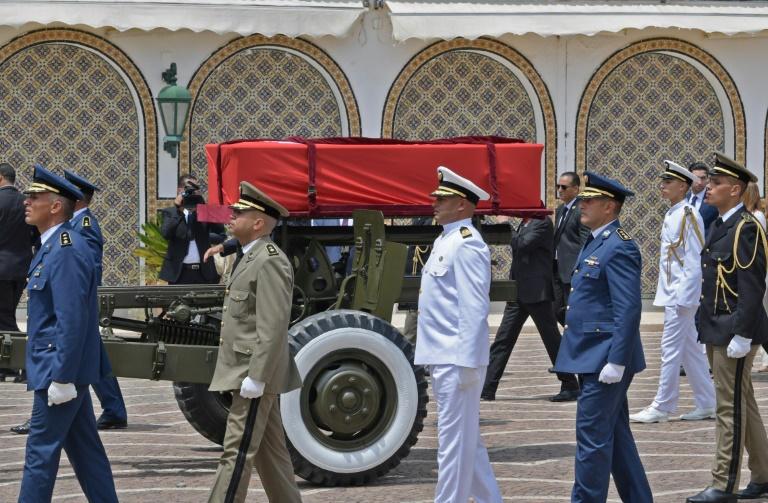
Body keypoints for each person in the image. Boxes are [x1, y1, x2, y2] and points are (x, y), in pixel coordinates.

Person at [19, 164, 117, 502]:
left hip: (58, 371)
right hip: (59, 369)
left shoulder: (65, 248)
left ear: (56, 205)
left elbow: (72, 320)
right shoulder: (53, 246)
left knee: (39, 455)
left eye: (35, 196)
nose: (26, 201)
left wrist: (61, 376)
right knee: (87, 454)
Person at [553, 172, 652, 503]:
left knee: (591, 439)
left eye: (590, 200)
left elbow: (629, 310)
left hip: (605, 358)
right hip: (591, 353)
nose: (582, 204)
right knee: (616, 437)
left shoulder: (619, 246)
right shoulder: (595, 239)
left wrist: (617, 360)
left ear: (609, 207)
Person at [11, 169, 129, 435]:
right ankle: (113, 409)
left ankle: (113, 408)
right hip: (73, 304)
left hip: (77, 302)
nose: (27, 202)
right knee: (90, 359)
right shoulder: (68, 228)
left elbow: (85, 268)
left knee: (88, 356)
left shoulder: (82, 227)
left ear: (74, 199)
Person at [207, 181, 302, 503]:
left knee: (236, 452)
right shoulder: (249, 256)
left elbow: (272, 325)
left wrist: (257, 376)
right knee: (270, 453)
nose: (230, 217)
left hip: (254, 372)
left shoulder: (269, 259)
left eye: (239, 212)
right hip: (247, 370)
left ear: (259, 222)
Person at [415, 166, 502, 503]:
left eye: (443, 198)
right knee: (468, 443)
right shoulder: (446, 239)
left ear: (463, 205)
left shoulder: (467, 244)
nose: (434, 203)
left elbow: (473, 308)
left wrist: (467, 361)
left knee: (452, 445)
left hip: (456, 359)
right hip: (444, 356)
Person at [686, 153, 768, 503]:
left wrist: (743, 334)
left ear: (735, 190)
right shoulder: (722, 224)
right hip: (718, 328)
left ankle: (723, 484)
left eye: (716, 183)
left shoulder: (746, 228)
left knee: (728, 409)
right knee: (742, 403)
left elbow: (752, 286)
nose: (708, 187)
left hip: (734, 331)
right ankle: (765, 474)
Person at [630, 160, 715, 423]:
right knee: (691, 350)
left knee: (669, 348)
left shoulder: (689, 214)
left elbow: (694, 258)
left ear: (682, 186)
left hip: (682, 294)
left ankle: (663, 405)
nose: (662, 186)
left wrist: (685, 296)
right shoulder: (674, 213)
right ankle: (708, 402)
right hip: (674, 292)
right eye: (663, 182)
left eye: (668, 183)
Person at [481, 213, 580, 402]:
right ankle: (487, 388)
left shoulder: (542, 222)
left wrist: (506, 225)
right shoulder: (525, 223)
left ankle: (570, 384)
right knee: (503, 339)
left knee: (551, 340)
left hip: (537, 293)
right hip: (518, 292)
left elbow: (522, 245)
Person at [159, 175, 226, 285]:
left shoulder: (207, 212)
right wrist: (178, 209)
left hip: (204, 272)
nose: (192, 192)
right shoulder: (171, 212)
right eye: (189, 189)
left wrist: (202, 208)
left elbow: (221, 236)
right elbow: (165, 234)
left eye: (195, 189)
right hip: (179, 273)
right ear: (179, 190)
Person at [0, 163, 36, 332]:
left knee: (5, 319)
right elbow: (37, 236)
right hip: (21, 270)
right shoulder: (27, 203)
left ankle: (17, 352)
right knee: (8, 313)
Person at [553, 171, 590, 326]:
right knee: (555, 310)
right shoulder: (561, 209)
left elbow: (584, 241)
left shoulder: (580, 209)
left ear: (575, 189)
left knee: (573, 311)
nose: (560, 190)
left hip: (572, 271)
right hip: (557, 270)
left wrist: (580, 268)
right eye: (558, 186)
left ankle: (575, 341)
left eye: (564, 187)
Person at [688, 161, 719, 235]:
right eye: (696, 178)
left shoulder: (713, 198)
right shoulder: (684, 198)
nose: (699, 182)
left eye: (703, 178)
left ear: (707, 179)